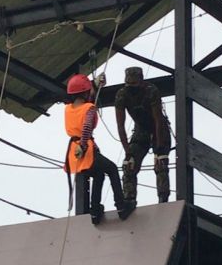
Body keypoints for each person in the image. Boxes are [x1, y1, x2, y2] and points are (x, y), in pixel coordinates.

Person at [65, 73, 132, 225]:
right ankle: (121, 206)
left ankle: (95, 212)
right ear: (85, 93)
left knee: (98, 175)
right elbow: (87, 127)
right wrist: (83, 145)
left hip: (73, 154)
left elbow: (83, 95)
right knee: (112, 169)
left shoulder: (68, 109)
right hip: (86, 150)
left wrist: (95, 84)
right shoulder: (89, 108)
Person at [115, 67, 171, 208]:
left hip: (159, 129)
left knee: (161, 162)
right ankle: (129, 199)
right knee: (129, 164)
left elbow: (158, 120)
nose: (131, 88)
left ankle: (163, 199)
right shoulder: (122, 94)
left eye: (134, 84)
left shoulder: (151, 90)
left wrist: (159, 147)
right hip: (141, 129)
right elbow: (120, 126)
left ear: (141, 81)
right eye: (129, 84)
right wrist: (128, 152)